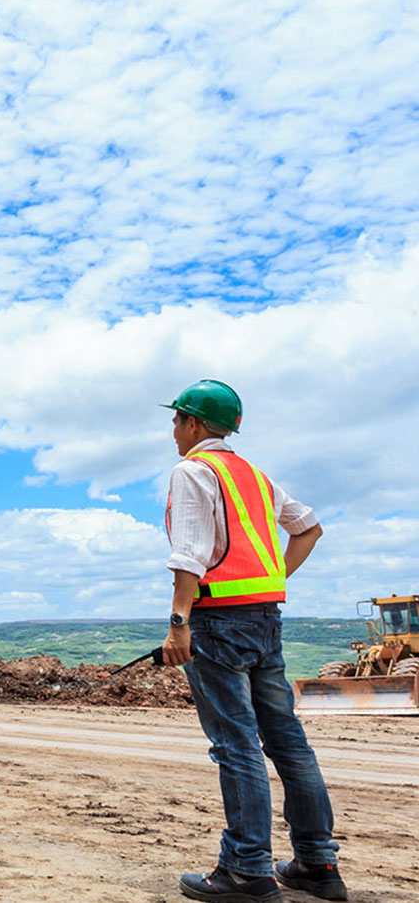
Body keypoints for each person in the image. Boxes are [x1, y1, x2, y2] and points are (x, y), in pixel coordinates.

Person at [160, 379, 345, 903]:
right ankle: (317, 863)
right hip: (265, 619)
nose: (173, 430)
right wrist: (273, 580)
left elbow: (189, 553)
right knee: (287, 741)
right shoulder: (255, 477)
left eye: (176, 420)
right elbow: (308, 528)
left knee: (236, 744)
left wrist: (179, 622)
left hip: (217, 621)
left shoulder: (193, 470)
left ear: (194, 423)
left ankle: (248, 871)